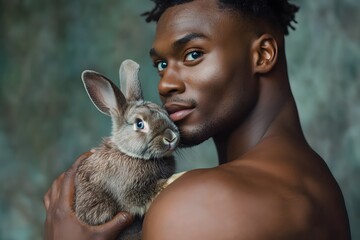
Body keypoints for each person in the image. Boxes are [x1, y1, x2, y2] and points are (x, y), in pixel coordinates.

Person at [43, 0, 351, 239]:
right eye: (162, 64)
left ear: (263, 55)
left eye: (192, 54)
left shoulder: (195, 206)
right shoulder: (318, 183)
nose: (165, 84)